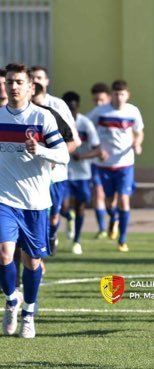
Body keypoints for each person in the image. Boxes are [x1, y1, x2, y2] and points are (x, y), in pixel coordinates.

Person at [0, 63, 69, 338]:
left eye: (18, 82)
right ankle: (11, 299)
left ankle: (29, 310)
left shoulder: (43, 118)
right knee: (4, 253)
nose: (13, 86)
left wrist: (40, 150)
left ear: (31, 87)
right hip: (4, 199)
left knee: (32, 262)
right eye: (9, 82)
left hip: (36, 203)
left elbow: (63, 155)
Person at [88, 79, 144, 252]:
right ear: (111, 95)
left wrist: (138, 143)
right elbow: (87, 129)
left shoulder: (133, 111)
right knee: (109, 202)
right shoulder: (100, 112)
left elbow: (139, 132)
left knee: (124, 199)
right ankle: (113, 219)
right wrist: (97, 148)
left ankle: (122, 239)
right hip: (104, 164)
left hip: (125, 164)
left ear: (127, 95)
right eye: (115, 94)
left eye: (122, 94)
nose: (119, 98)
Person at [30, 66, 81, 254]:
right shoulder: (20, 107)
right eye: (32, 77)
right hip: (30, 175)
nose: (36, 81)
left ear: (46, 81)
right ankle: (37, 251)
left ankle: (50, 237)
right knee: (36, 214)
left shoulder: (57, 106)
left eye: (39, 77)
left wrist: (51, 157)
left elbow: (74, 140)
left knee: (52, 215)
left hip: (56, 175)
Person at [62, 91, 101, 254]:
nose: (71, 113)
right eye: (68, 110)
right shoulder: (57, 122)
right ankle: (68, 218)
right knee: (61, 207)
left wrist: (82, 156)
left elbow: (97, 149)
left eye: (74, 109)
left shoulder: (86, 124)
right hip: (61, 173)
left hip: (82, 174)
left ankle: (77, 240)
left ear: (78, 107)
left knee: (80, 207)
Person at [89, 82, 112, 239]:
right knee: (98, 193)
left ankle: (114, 219)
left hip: (117, 163)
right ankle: (102, 227)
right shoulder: (93, 115)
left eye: (101, 100)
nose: (98, 103)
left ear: (108, 98)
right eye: (95, 100)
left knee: (113, 199)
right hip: (97, 162)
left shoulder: (119, 113)